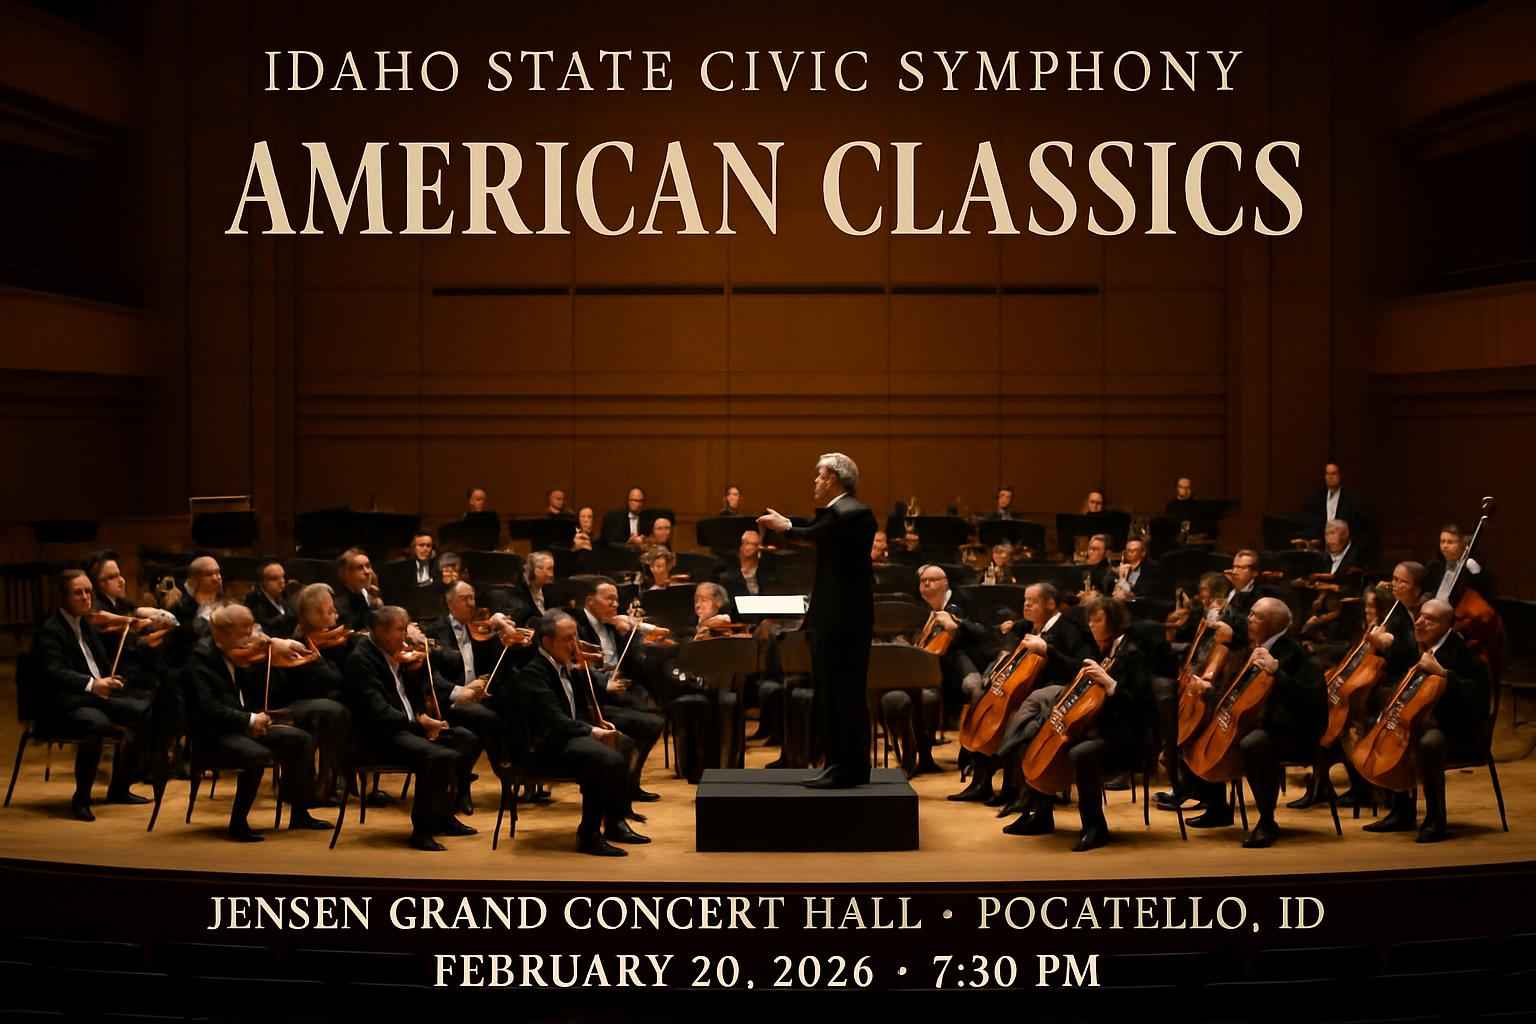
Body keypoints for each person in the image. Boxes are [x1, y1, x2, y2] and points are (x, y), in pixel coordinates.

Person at [757, 452, 877, 789]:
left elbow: (816, 532)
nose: (815, 481)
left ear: (834, 479)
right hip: (838, 620)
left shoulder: (852, 512)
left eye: (820, 475)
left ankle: (846, 768)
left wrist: (787, 527)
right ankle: (844, 764)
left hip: (843, 623)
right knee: (835, 693)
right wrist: (790, 524)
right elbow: (819, 529)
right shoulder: (841, 514)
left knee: (842, 694)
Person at [1001, 596, 1151, 851]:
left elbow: (1140, 707)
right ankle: (1040, 815)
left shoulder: (1133, 654)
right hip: (1099, 727)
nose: (1092, 624)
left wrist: (1110, 683)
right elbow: (1079, 678)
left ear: (1114, 622)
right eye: (1090, 620)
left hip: (1126, 737)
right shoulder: (1106, 650)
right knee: (1037, 732)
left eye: (1098, 619)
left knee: (1081, 753)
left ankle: (1095, 827)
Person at [500, 611, 648, 856]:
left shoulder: (565, 666)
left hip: (564, 739)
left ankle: (615, 822)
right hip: (540, 748)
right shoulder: (533, 675)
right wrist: (593, 731)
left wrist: (598, 722)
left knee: (623, 744)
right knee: (604, 759)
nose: (574, 645)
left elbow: (577, 709)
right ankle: (589, 835)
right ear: (547, 641)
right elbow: (555, 722)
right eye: (567, 639)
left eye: (575, 637)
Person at [1181, 597, 1324, 848]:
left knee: (1254, 743)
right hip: (1259, 722)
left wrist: (1277, 672)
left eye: (1255, 616)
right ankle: (1217, 807)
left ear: (1273, 624)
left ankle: (1267, 822)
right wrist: (1209, 691)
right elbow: (1238, 694)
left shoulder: (1296, 654)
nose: (1248, 619)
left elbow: (1309, 700)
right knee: (1199, 725)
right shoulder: (1254, 648)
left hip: (1292, 731)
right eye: (1250, 614)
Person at [186, 604, 333, 841]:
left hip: (240, 726)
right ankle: (238, 823)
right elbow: (208, 710)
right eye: (244, 629)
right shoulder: (200, 659)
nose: (251, 634)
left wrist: (269, 658)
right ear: (222, 633)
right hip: (212, 735)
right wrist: (250, 719)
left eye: (251, 627)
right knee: (256, 754)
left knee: (301, 740)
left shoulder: (240, 652)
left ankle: (299, 812)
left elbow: (262, 690)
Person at [343, 606, 480, 850]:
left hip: (403, 728)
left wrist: (415, 672)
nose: (405, 636)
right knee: (438, 755)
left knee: (465, 739)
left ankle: (444, 816)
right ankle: (423, 830)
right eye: (400, 629)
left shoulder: (396, 654)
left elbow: (414, 698)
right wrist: (420, 725)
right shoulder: (360, 660)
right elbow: (377, 712)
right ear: (380, 631)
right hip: (377, 737)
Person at [1359, 599, 1490, 843]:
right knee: (1385, 728)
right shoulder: (1419, 647)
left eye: (1430, 619)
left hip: (1455, 729)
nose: (1419, 622)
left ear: (1447, 625)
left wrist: (1443, 673)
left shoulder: (1464, 651)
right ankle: (1401, 811)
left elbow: (1478, 698)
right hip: (1421, 721)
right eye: (1420, 616)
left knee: (1429, 742)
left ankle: (1435, 820)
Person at [32, 570, 156, 820]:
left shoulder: (85, 625)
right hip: (64, 703)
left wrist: (113, 679)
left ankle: (119, 787)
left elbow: (100, 664)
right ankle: (81, 799)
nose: (86, 597)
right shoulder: (50, 630)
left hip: (93, 697)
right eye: (78, 593)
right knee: (96, 724)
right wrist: (92, 684)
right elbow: (54, 673)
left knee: (145, 710)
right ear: (63, 597)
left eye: (88, 591)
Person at [882, 564, 988, 777]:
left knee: (973, 688)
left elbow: (983, 632)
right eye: (923, 581)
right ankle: (920, 757)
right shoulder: (922, 610)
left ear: (945, 583)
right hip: (936, 668)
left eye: (932, 580)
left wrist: (956, 624)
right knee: (914, 696)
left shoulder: (963, 601)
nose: (926, 584)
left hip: (966, 665)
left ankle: (972, 755)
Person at [1425, 522, 1493, 603]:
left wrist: (1475, 571)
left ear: (1462, 544)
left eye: (1450, 542)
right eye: (1442, 541)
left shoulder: (1471, 565)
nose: (1445, 546)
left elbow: (1484, 591)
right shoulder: (1434, 566)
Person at [244, 560, 296, 638]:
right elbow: (262, 629)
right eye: (274, 578)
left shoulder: (287, 594)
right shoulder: (254, 601)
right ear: (262, 582)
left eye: (283, 577)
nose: (282, 581)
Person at [722, 530, 775, 599]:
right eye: (746, 543)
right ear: (741, 544)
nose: (749, 547)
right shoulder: (727, 565)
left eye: (754, 544)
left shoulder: (766, 566)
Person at [335, 549, 379, 631]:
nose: (367, 572)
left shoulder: (372, 598)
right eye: (360, 568)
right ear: (346, 574)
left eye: (368, 566)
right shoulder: (338, 606)